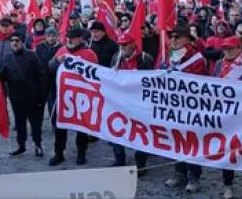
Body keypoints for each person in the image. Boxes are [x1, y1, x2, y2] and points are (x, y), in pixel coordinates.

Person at [162, 23, 207, 193]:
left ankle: (194, 176)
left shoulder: (196, 57)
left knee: (191, 142)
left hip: (190, 107)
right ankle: (179, 173)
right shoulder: (169, 54)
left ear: (187, 38)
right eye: (171, 37)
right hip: (172, 105)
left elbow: (198, 81)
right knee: (176, 140)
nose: (173, 40)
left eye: (177, 37)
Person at [211, 36, 242, 199]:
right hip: (225, 114)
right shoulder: (218, 64)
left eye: (230, 48)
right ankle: (228, 184)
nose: (227, 51)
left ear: (239, 48)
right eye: (224, 48)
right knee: (226, 148)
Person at [48, 27, 98, 166]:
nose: (70, 39)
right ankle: (59, 153)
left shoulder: (90, 54)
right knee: (60, 126)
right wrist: (57, 60)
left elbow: (96, 75)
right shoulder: (62, 50)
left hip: (82, 96)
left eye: (74, 37)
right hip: (64, 95)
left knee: (82, 126)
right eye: (68, 37)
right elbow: (50, 66)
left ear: (81, 38)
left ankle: (81, 152)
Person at [109, 33, 154, 170]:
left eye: (124, 44)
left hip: (139, 103)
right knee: (115, 128)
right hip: (120, 101)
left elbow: (153, 80)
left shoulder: (145, 58)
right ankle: (119, 160)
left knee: (141, 132)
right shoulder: (116, 58)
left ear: (133, 44)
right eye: (120, 44)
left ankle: (140, 164)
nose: (121, 47)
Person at [0, 31, 46, 157]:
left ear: (22, 42)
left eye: (17, 40)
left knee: (35, 123)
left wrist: (41, 95)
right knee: (19, 123)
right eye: (12, 41)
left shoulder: (32, 55)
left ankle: (38, 145)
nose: (14, 43)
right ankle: (21, 145)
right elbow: (2, 75)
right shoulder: (7, 57)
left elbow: (41, 76)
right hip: (16, 97)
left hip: (32, 97)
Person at [35, 27, 61, 115]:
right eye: (49, 36)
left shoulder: (61, 48)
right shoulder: (39, 47)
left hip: (56, 79)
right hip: (43, 79)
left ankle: (54, 122)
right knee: (40, 102)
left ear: (57, 36)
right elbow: (36, 62)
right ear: (46, 37)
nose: (51, 38)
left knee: (54, 102)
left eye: (53, 36)